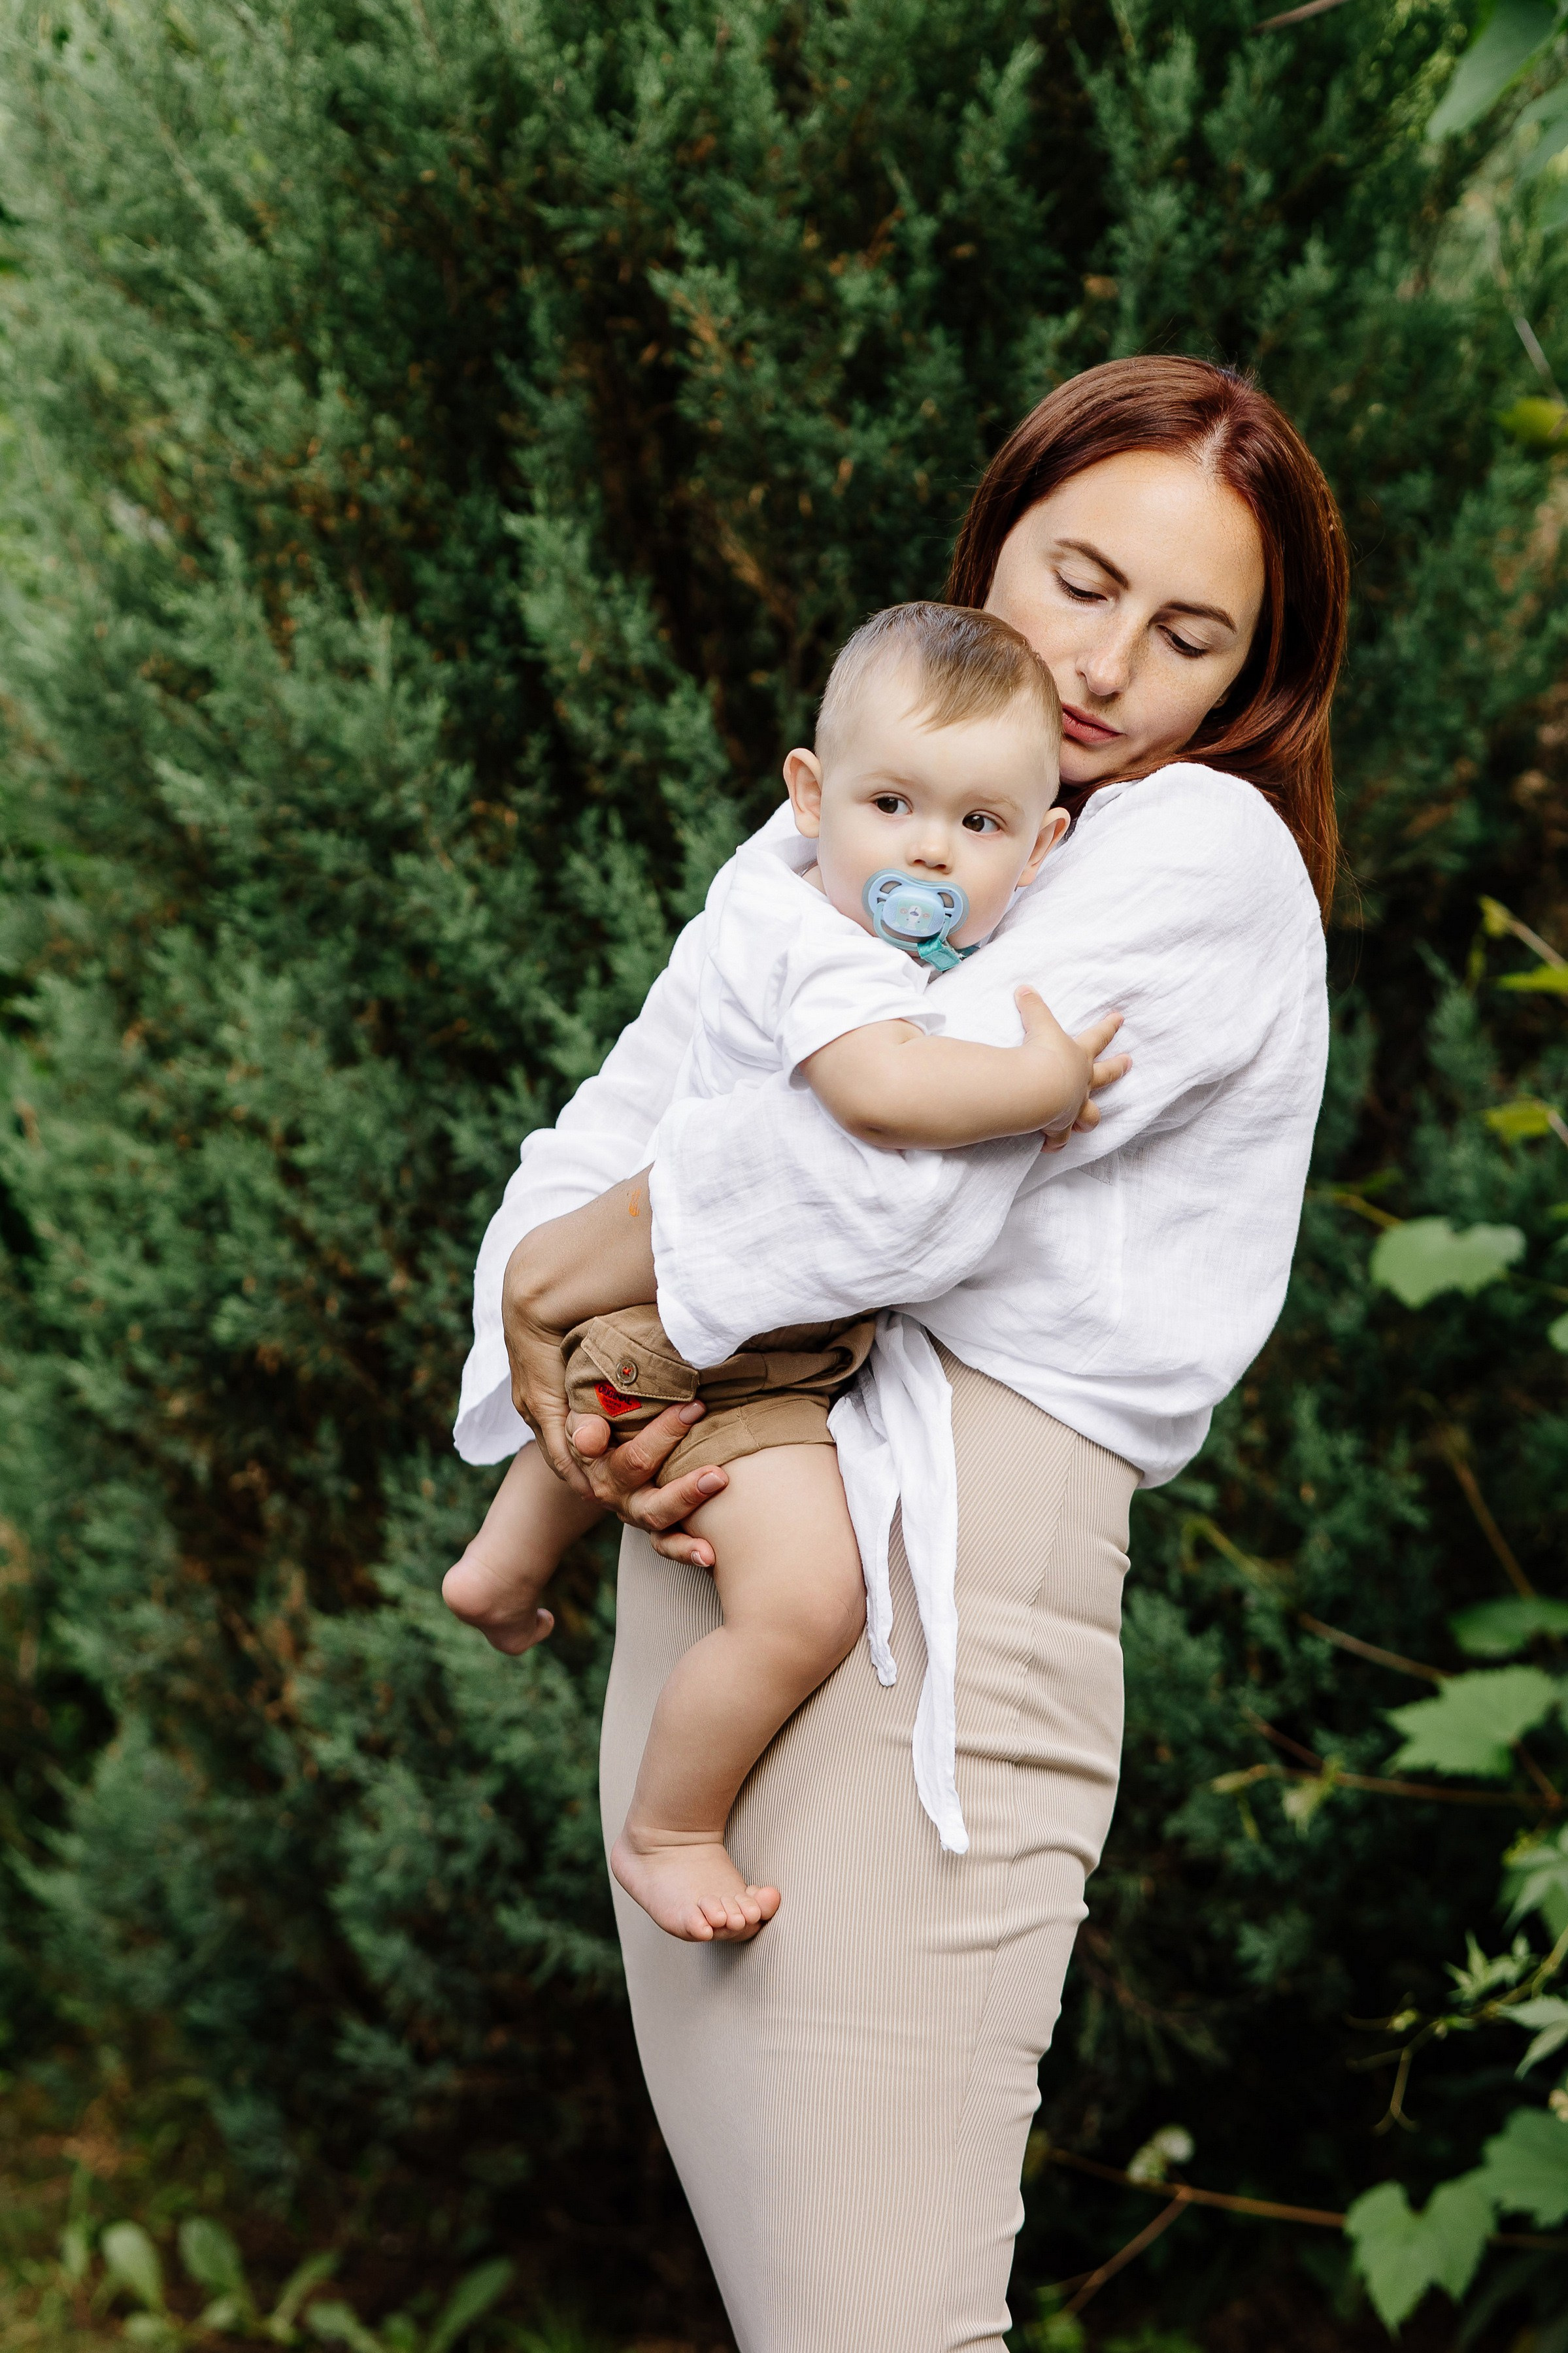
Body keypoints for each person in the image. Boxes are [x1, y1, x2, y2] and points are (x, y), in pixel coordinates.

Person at [454, 356, 1345, 2352]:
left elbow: (895, 1184)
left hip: (942, 1587)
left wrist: (572, 1279)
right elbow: (669, 1087)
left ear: (1251, 679)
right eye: (1079, 578)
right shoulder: (878, 838)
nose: (1112, 665)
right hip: (730, 1543)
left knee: (880, 2323)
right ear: (996, 540)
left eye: (1190, 632)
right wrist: (563, 1292)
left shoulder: (1197, 855)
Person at [444, 603, 1127, 1943]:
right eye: (891, 802)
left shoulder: (930, 945)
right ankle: (670, 1826)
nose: (929, 847)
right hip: (704, 1342)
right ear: (809, 800)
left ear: (1044, 847)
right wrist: (1034, 1083)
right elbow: (876, 1094)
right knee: (809, 1602)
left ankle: (502, 1565)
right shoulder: (805, 936)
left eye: (980, 826)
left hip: (700, 1322)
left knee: (617, 1405)